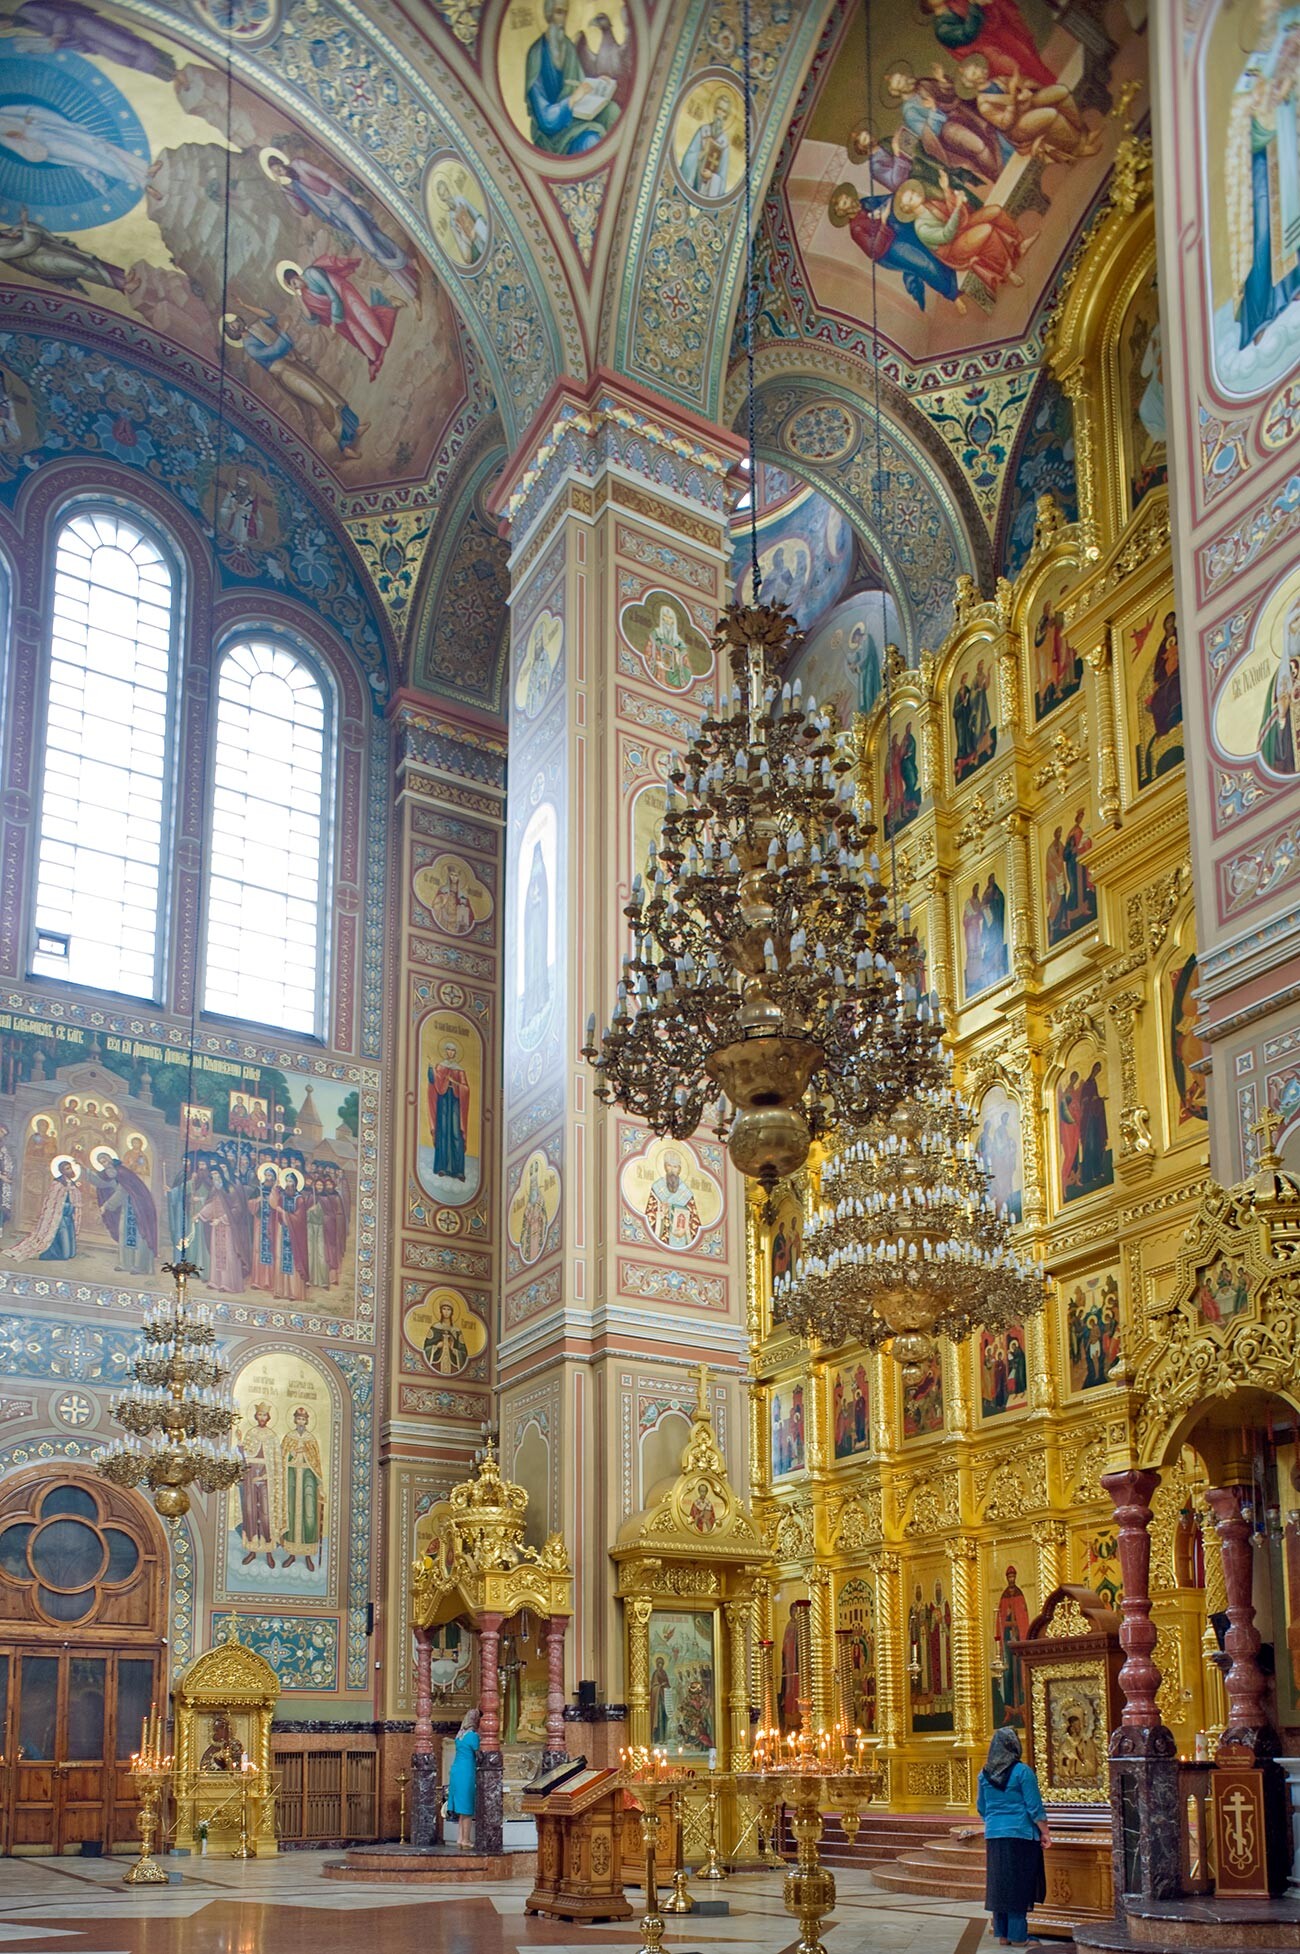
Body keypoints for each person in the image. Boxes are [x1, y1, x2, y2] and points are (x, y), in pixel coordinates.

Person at [978, 1726, 1050, 1948]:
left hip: (995, 1834)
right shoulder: (1022, 1772)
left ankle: (1003, 1934)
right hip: (1020, 1834)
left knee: (1000, 1884)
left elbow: (981, 1807)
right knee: (1019, 1884)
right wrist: (1045, 1832)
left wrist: (996, 1822)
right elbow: (1034, 1807)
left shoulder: (984, 1774)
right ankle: (1019, 1936)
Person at [447, 1708, 480, 1849]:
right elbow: (479, 1754)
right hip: (466, 1772)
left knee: (461, 1808)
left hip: (456, 1770)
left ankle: (460, 1839)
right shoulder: (472, 1736)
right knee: (466, 1807)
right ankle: (466, 1840)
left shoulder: (459, 1735)